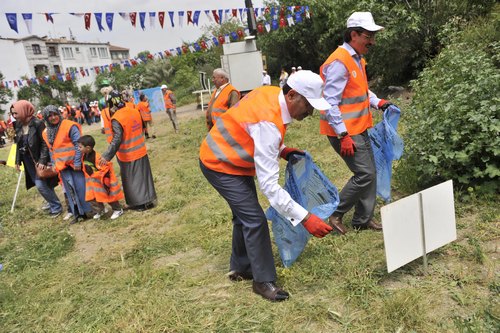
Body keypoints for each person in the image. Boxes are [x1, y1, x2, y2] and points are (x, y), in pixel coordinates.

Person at [199, 70, 335, 302]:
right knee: (254, 219)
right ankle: (262, 281)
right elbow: (270, 187)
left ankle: (241, 267)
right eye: (308, 105)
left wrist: (282, 150)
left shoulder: (273, 93)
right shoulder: (269, 122)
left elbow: (253, 132)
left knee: (244, 216)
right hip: (219, 163)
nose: (310, 112)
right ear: (292, 95)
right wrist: (305, 218)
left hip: (232, 159)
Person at [319, 12, 398, 234]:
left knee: (370, 172)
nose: (372, 41)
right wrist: (343, 135)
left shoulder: (357, 59)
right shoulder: (339, 62)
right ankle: (335, 214)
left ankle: (363, 220)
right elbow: (330, 102)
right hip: (345, 132)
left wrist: (377, 101)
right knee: (365, 174)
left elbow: (360, 90)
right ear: (353, 35)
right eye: (368, 36)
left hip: (359, 127)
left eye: (373, 36)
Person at [99, 90, 157, 211]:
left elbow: (117, 139)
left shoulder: (116, 118)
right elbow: (142, 127)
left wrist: (106, 156)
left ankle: (139, 204)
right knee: (144, 177)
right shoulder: (134, 111)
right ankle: (149, 201)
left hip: (128, 154)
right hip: (141, 150)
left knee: (133, 180)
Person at [41, 105, 92, 224]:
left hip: (74, 164)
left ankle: (89, 210)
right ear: (46, 118)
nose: (53, 118)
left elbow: (78, 144)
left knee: (81, 187)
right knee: (70, 190)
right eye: (50, 116)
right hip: (62, 166)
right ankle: (78, 213)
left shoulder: (69, 126)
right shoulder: (46, 132)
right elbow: (51, 149)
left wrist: (78, 161)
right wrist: (54, 163)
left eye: (55, 114)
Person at [11, 100, 62, 217]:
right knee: (43, 183)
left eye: (16, 113)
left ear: (24, 110)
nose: (14, 116)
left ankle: (56, 206)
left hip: (39, 159)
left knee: (40, 184)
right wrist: (17, 161)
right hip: (28, 160)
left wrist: (43, 160)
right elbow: (18, 143)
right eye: (13, 113)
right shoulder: (18, 124)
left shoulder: (38, 123)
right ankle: (51, 202)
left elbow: (45, 142)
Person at [77, 135, 125, 220]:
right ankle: (100, 210)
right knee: (92, 198)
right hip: (91, 182)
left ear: (88, 148)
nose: (78, 148)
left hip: (101, 182)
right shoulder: (84, 155)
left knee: (108, 196)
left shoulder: (97, 157)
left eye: (80, 147)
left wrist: (99, 178)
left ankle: (118, 209)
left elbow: (104, 170)